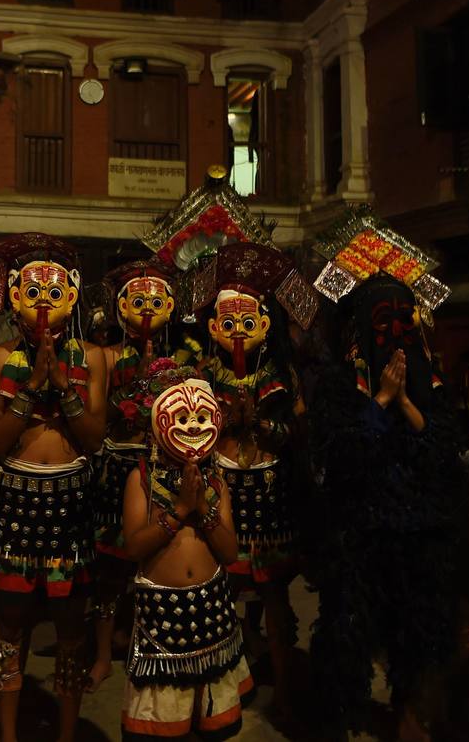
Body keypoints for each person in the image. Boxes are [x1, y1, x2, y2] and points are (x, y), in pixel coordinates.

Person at [307, 221, 468, 741]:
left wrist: (406, 404)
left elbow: (444, 452)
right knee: (346, 633)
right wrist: (378, 403)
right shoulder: (338, 384)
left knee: (419, 638)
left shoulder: (433, 384)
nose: (395, 337)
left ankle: (409, 716)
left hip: (421, 532)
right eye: (382, 325)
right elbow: (343, 454)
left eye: (405, 323)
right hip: (359, 532)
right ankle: (338, 717)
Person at [0, 233, 107, 742]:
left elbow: (94, 440)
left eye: (56, 291)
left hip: (70, 503)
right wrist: (32, 389)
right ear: (14, 294)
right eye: (34, 290)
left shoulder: (92, 358)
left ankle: (67, 734)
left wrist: (65, 393)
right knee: (10, 630)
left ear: (72, 294)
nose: (45, 301)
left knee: (71, 630)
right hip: (17, 502)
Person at [194, 242, 306, 726]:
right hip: (221, 483)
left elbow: (296, 433)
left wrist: (261, 427)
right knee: (216, 595)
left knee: (275, 596)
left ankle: (283, 686)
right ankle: (219, 691)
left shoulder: (281, 374)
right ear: (214, 328)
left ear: (264, 324)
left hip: (266, 488)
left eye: (248, 321)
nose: (238, 332)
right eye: (228, 323)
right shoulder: (202, 374)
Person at [119, 362, 252, 741]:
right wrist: (179, 510)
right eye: (181, 416)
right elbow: (133, 548)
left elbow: (229, 553)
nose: (193, 426)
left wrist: (203, 509)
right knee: (162, 728)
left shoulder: (217, 482)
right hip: (162, 620)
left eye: (200, 416)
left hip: (211, 611)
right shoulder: (140, 479)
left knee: (212, 726)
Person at [89, 261, 178, 691]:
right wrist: (134, 388)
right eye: (138, 301)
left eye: (155, 301)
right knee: (110, 569)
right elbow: (100, 414)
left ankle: (150, 645)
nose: (146, 309)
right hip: (118, 462)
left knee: (154, 560)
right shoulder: (106, 357)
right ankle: (105, 653)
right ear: (122, 308)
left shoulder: (179, 360)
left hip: (160, 466)